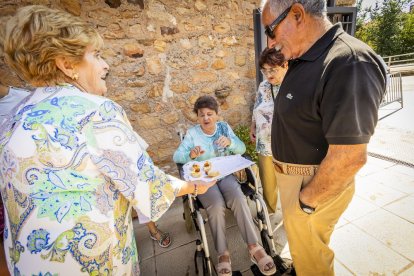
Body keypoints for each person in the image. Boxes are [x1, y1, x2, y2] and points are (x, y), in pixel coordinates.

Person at [0, 5, 216, 275]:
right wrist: (194, 187)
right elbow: (147, 186)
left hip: (30, 263)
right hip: (89, 263)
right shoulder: (96, 112)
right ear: (67, 65)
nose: (106, 65)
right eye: (97, 55)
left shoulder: (14, 116)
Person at [261, 1, 387, 275]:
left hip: (311, 185)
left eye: (270, 30)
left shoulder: (349, 62)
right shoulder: (305, 57)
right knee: (303, 253)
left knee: (312, 264)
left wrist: (305, 204)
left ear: (296, 14)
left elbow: (350, 157)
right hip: (296, 180)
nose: (269, 43)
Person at [173, 95, 276, 276]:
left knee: (238, 197)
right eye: (202, 114)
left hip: (225, 174)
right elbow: (177, 157)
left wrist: (230, 143)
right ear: (197, 117)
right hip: (204, 179)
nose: (206, 118)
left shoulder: (223, 128)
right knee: (216, 204)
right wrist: (191, 153)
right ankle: (223, 254)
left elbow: (241, 148)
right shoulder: (192, 134)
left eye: (210, 114)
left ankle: (254, 246)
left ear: (217, 115)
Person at [250, 47, 287, 214]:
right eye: (264, 70)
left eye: (272, 69)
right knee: (268, 181)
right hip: (265, 142)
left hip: (286, 145)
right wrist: (253, 127)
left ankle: (291, 215)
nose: (268, 74)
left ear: (285, 65)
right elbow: (257, 107)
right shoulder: (264, 86)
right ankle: (270, 212)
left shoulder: (293, 85)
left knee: (288, 184)